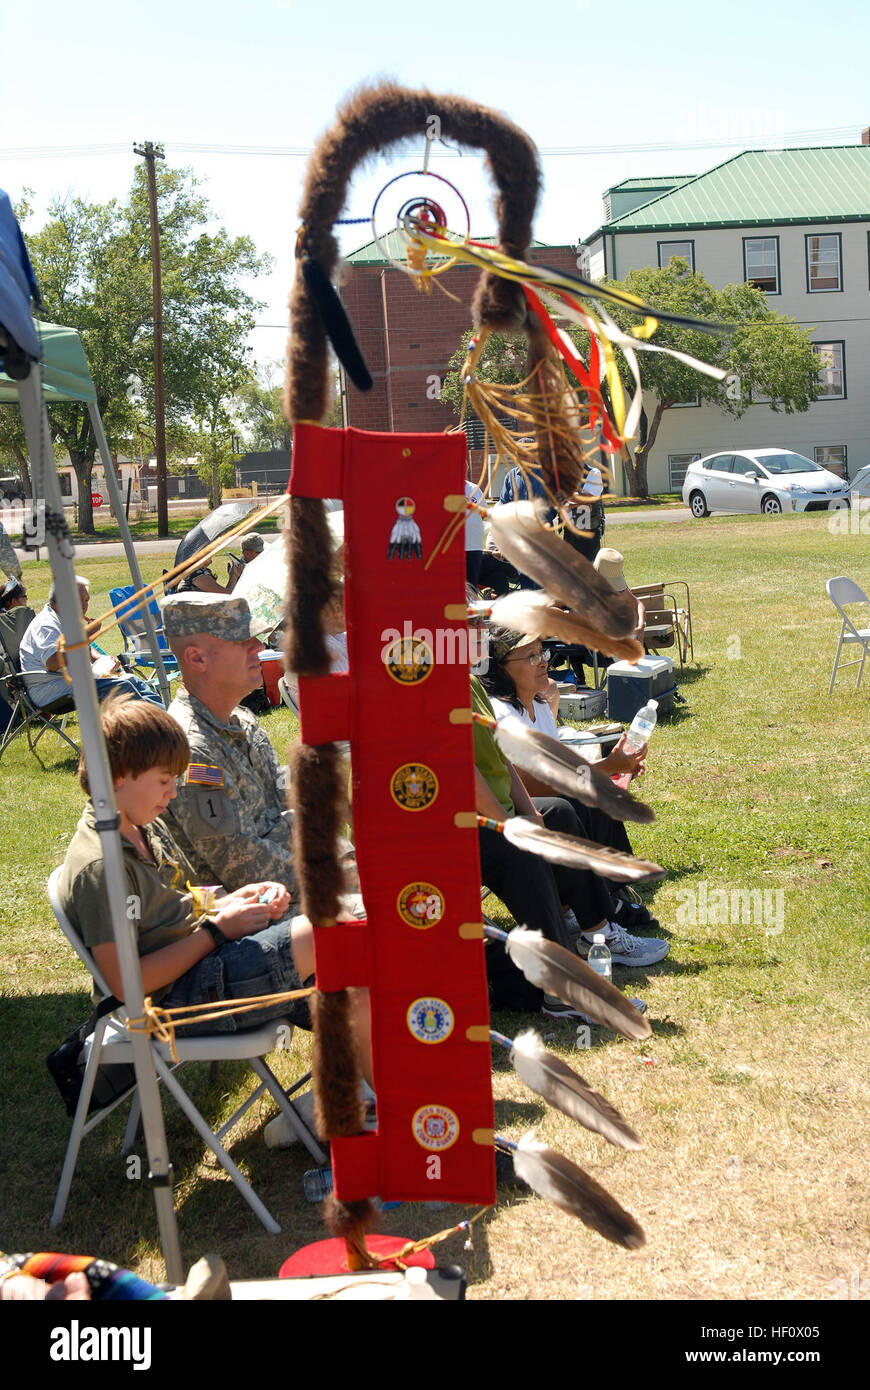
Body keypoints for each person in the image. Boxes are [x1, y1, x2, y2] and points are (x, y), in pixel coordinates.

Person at [55, 695, 371, 1079]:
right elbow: (124, 983)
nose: (172, 793)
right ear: (118, 776)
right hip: (168, 1004)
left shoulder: (142, 825)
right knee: (325, 931)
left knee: (356, 987)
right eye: (163, 780)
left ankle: (371, 1104)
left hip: (201, 968)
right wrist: (216, 930)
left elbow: (180, 898)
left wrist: (233, 899)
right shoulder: (102, 867)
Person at [468, 614, 668, 1013]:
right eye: (472, 624)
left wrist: (530, 814)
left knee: (557, 813)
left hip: (501, 809)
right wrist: (513, 824)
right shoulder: (439, 688)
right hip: (466, 822)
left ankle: (599, 930)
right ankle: (561, 989)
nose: (481, 633)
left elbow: (503, 766)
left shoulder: (470, 684)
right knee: (549, 823)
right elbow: (464, 769)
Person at [19, 577, 164, 709]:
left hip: (73, 681)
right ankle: (153, 730)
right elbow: (53, 662)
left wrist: (102, 659)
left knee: (133, 680)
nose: (84, 606)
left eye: (86, 600)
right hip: (50, 688)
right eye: (78, 600)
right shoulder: (46, 624)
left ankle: (168, 722)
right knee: (122, 686)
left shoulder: (67, 619)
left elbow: (85, 651)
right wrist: (86, 635)